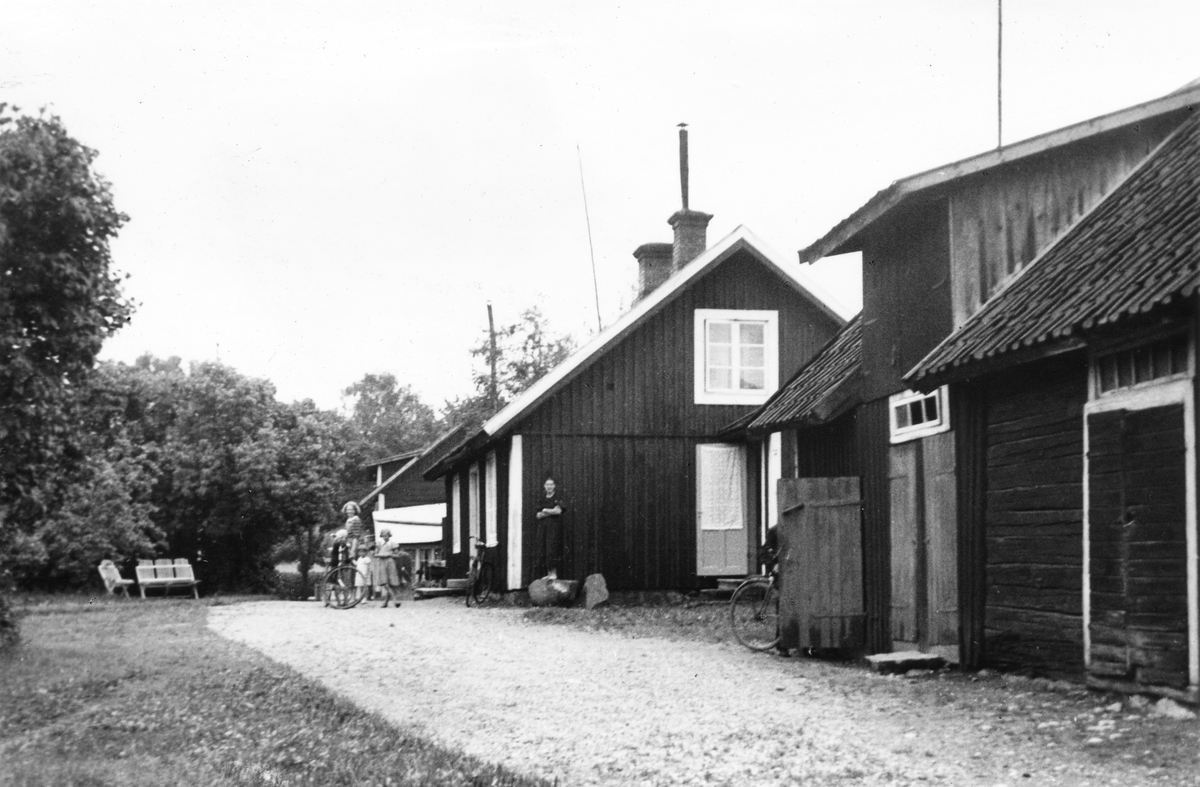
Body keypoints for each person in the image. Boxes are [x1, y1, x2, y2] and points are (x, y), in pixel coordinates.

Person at [534, 477, 565, 580]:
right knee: (543, 549)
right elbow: (538, 515)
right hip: (543, 528)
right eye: (547, 484)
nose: (549, 486)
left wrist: (545, 510)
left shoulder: (557, 497)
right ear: (544, 486)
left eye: (551, 484)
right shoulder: (542, 498)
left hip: (554, 528)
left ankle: (554, 573)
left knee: (552, 548)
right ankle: (549, 573)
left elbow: (558, 511)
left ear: (554, 486)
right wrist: (551, 511)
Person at [372, 529, 403, 608]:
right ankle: (395, 599)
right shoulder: (379, 544)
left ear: (389, 535)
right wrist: (382, 555)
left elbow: (397, 555)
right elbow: (375, 554)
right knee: (385, 583)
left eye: (387, 535)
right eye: (383, 535)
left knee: (391, 583)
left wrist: (390, 555)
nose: (385, 537)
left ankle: (385, 602)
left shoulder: (392, 544)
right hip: (382, 563)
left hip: (390, 563)